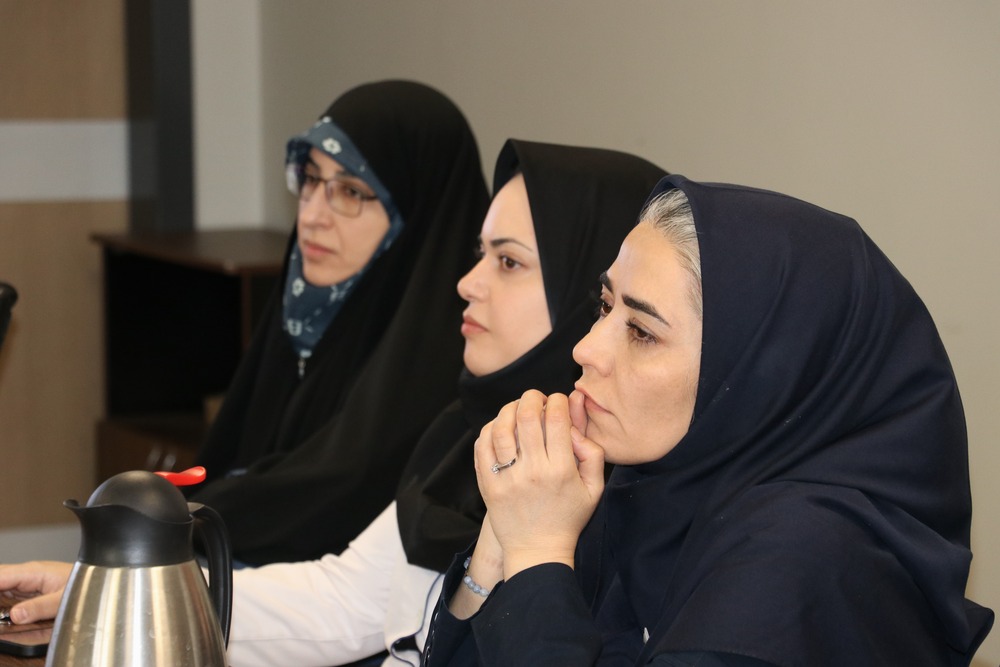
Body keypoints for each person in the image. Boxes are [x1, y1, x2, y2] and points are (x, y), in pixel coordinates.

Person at [0, 140, 667, 667]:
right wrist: (118, 590)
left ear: (587, 292)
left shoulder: (607, 486)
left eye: (509, 263)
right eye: (479, 254)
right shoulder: (466, 433)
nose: (467, 282)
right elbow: (345, 598)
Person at [426, 175, 995, 666]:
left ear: (757, 372)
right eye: (605, 306)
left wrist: (538, 553)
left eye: (641, 331)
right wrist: (499, 545)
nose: (586, 349)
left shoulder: (805, 560)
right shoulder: (646, 490)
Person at [188, 80, 489, 565]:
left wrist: (178, 520)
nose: (311, 216)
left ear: (416, 213)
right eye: (309, 179)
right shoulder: (308, 312)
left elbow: (337, 491)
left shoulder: (456, 360)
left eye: (350, 191)